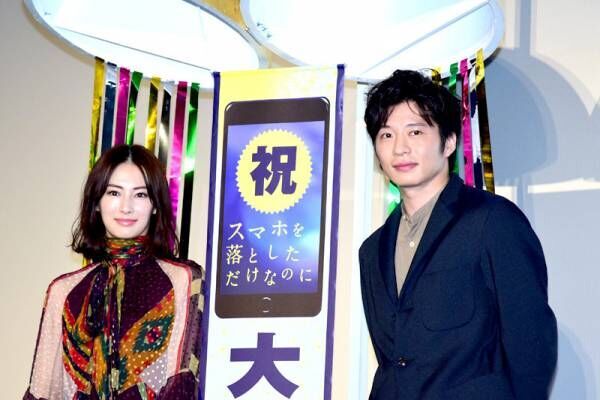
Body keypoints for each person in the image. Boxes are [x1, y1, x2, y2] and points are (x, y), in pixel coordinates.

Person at [359, 70, 557, 399]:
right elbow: (393, 361)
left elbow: (531, 344)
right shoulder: (372, 250)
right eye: (386, 135)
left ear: (449, 141)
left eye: (415, 131)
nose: (400, 148)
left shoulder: (492, 221)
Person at [24, 145, 204, 399]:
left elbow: (182, 384)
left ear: (155, 205)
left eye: (140, 194)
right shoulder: (63, 292)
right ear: (97, 202)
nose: (126, 207)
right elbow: (43, 388)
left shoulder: (183, 280)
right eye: (114, 192)